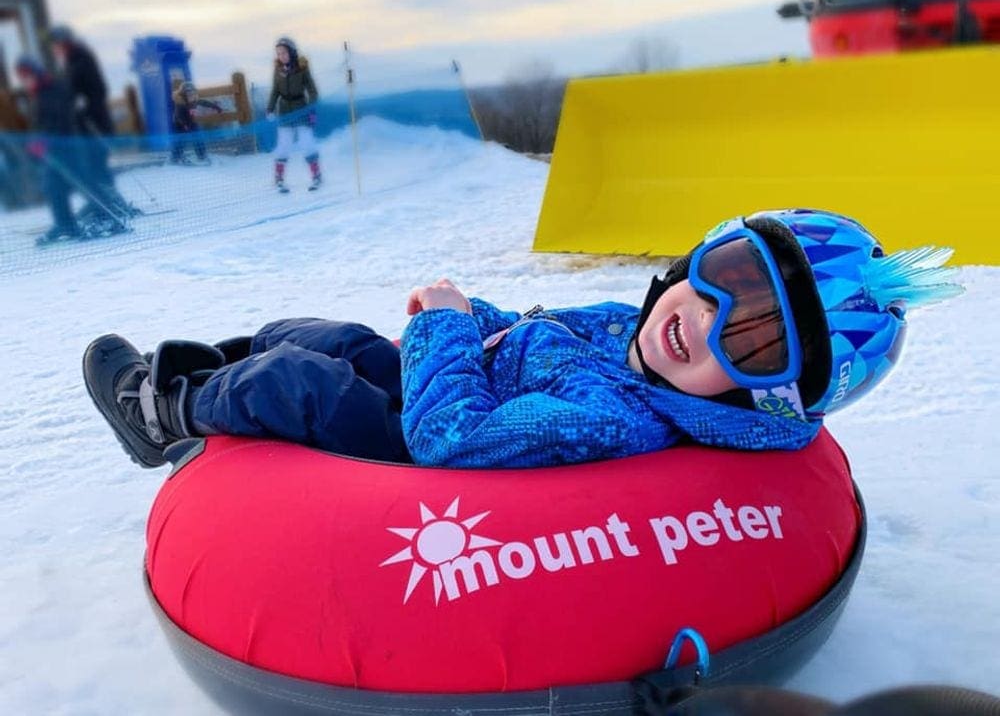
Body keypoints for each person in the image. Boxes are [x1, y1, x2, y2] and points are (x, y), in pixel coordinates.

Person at [82, 209, 963, 469]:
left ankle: (161, 413)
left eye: (758, 344)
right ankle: (212, 394)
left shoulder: (611, 420)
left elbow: (447, 440)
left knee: (299, 381)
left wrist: (448, 334)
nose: (706, 321)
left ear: (754, 396)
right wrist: (475, 317)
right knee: (321, 334)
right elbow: (540, 334)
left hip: (424, 447)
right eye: (728, 278)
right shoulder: (636, 332)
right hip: (463, 380)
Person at [47, 24, 133, 220]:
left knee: (95, 165)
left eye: (56, 44)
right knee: (92, 165)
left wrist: (85, 105)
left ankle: (108, 205)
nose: (54, 49)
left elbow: (97, 89)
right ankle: (107, 202)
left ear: (64, 41)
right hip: (84, 125)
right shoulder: (72, 60)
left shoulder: (81, 59)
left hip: (94, 125)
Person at [14, 56, 84, 244]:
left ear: (35, 73)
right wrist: (35, 142)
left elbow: (59, 120)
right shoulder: (39, 93)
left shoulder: (51, 90)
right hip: (53, 148)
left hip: (63, 147)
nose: (24, 81)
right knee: (54, 187)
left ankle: (98, 215)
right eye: (22, 78)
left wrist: (44, 141)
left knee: (65, 184)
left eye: (26, 76)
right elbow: (41, 123)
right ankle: (66, 225)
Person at [266, 36, 322, 192]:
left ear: (291, 52)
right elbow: (275, 91)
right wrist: (270, 108)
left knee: (306, 142)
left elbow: (312, 91)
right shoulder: (278, 70)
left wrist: (310, 109)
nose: (281, 56)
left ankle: (316, 174)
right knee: (284, 143)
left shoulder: (302, 68)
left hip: (301, 108)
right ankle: (279, 177)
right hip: (284, 110)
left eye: (284, 52)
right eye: (278, 53)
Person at [170, 81, 223, 164]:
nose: (190, 94)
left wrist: (216, 107)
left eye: (192, 92)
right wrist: (184, 125)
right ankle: (176, 157)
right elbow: (179, 115)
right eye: (188, 92)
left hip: (191, 122)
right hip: (179, 124)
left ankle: (202, 155)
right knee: (180, 141)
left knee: (198, 138)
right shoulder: (180, 103)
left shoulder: (194, 99)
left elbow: (203, 102)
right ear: (183, 94)